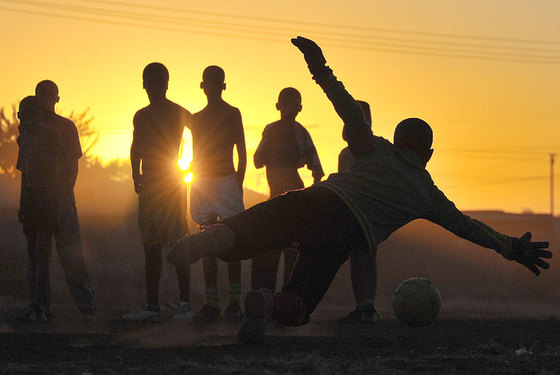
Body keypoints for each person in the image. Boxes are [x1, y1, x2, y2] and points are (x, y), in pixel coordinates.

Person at [167, 37, 552, 344]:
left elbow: (348, 109)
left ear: (397, 141)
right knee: (300, 303)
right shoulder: (426, 192)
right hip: (344, 230)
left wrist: (319, 67)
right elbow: (468, 227)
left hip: (313, 198)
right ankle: (268, 305)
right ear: (428, 153)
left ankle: (208, 237)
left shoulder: (375, 149)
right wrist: (512, 248)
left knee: (247, 233)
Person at [17, 88, 96, 323]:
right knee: (38, 255)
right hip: (37, 197)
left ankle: (85, 306)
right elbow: (25, 171)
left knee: (69, 251)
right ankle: (39, 306)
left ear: (55, 100)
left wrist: (62, 192)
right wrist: (26, 201)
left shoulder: (61, 129)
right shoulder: (29, 134)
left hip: (59, 197)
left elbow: (72, 164)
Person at [123, 63, 191, 322]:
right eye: (149, 82)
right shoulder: (141, 116)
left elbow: (206, 135)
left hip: (171, 183)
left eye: (157, 82)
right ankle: (153, 305)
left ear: (166, 84)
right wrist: (135, 173)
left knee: (178, 242)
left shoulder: (179, 113)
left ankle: (184, 304)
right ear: (144, 85)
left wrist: (196, 166)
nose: (152, 87)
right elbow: (135, 147)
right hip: (152, 183)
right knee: (151, 245)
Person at [188, 65, 247, 322]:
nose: (211, 88)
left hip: (225, 181)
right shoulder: (194, 118)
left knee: (232, 240)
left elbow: (241, 151)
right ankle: (213, 303)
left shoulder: (233, 114)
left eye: (215, 83)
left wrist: (238, 181)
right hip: (202, 182)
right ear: (203, 86)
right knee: (207, 243)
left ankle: (233, 301)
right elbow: (195, 152)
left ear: (222, 86)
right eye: (208, 84)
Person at [252, 87, 324, 293]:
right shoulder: (273, 131)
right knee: (274, 249)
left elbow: (317, 169)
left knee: (289, 250)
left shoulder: (299, 134)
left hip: (292, 200)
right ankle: (270, 295)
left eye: (293, 105)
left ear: (300, 108)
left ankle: (286, 296)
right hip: (280, 199)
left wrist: (311, 196)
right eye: (287, 104)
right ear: (278, 106)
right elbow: (258, 160)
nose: (289, 109)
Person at [337, 100, 379, 324]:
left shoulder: (376, 150)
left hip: (368, 210)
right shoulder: (345, 155)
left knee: (367, 256)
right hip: (350, 211)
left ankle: (368, 305)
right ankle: (361, 305)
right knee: (356, 257)